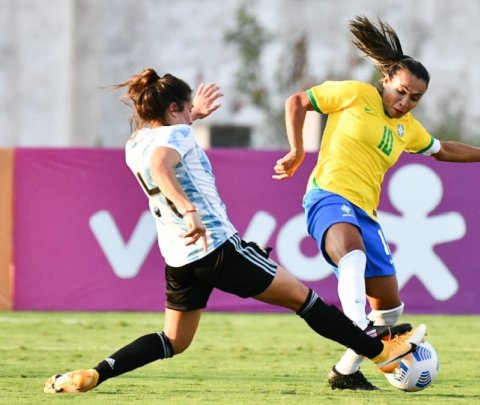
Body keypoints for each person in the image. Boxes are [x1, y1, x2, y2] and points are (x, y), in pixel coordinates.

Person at [43, 68, 427, 394]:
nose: (191, 112)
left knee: (173, 341)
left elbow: (162, 145)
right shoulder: (174, 137)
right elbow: (163, 163)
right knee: (306, 302)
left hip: (180, 258)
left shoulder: (135, 142)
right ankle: (381, 354)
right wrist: (191, 210)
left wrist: (193, 116)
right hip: (217, 247)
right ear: (174, 108)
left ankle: (97, 373)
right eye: (187, 106)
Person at [273, 16, 480, 390]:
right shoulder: (355, 94)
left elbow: (444, 149)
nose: (405, 101)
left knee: (390, 308)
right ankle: (357, 323)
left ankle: (345, 372)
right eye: (401, 91)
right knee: (352, 253)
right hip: (328, 196)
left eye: (415, 97)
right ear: (386, 81)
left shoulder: (407, 128)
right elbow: (297, 101)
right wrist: (297, 149)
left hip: (366, 211)